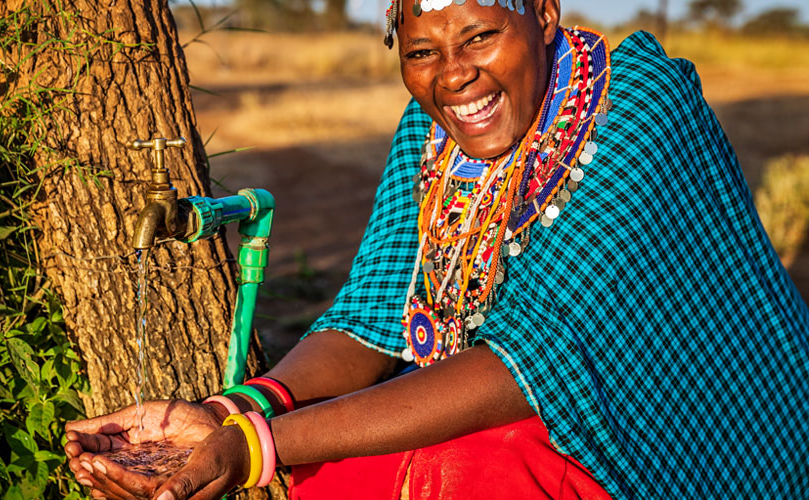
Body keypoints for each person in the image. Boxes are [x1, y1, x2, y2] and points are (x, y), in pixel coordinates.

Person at [66, 0, 809, 498]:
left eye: (480, 36)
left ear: (543, 14)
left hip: (671, 435)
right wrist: (231, 412)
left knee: (465, 470)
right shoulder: (428, 136)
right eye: (421, 51)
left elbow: (534, 361)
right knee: (347, 467)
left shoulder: (642, 103)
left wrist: (254, 449)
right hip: (524, 409)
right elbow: (371, 317)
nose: (452, 76)